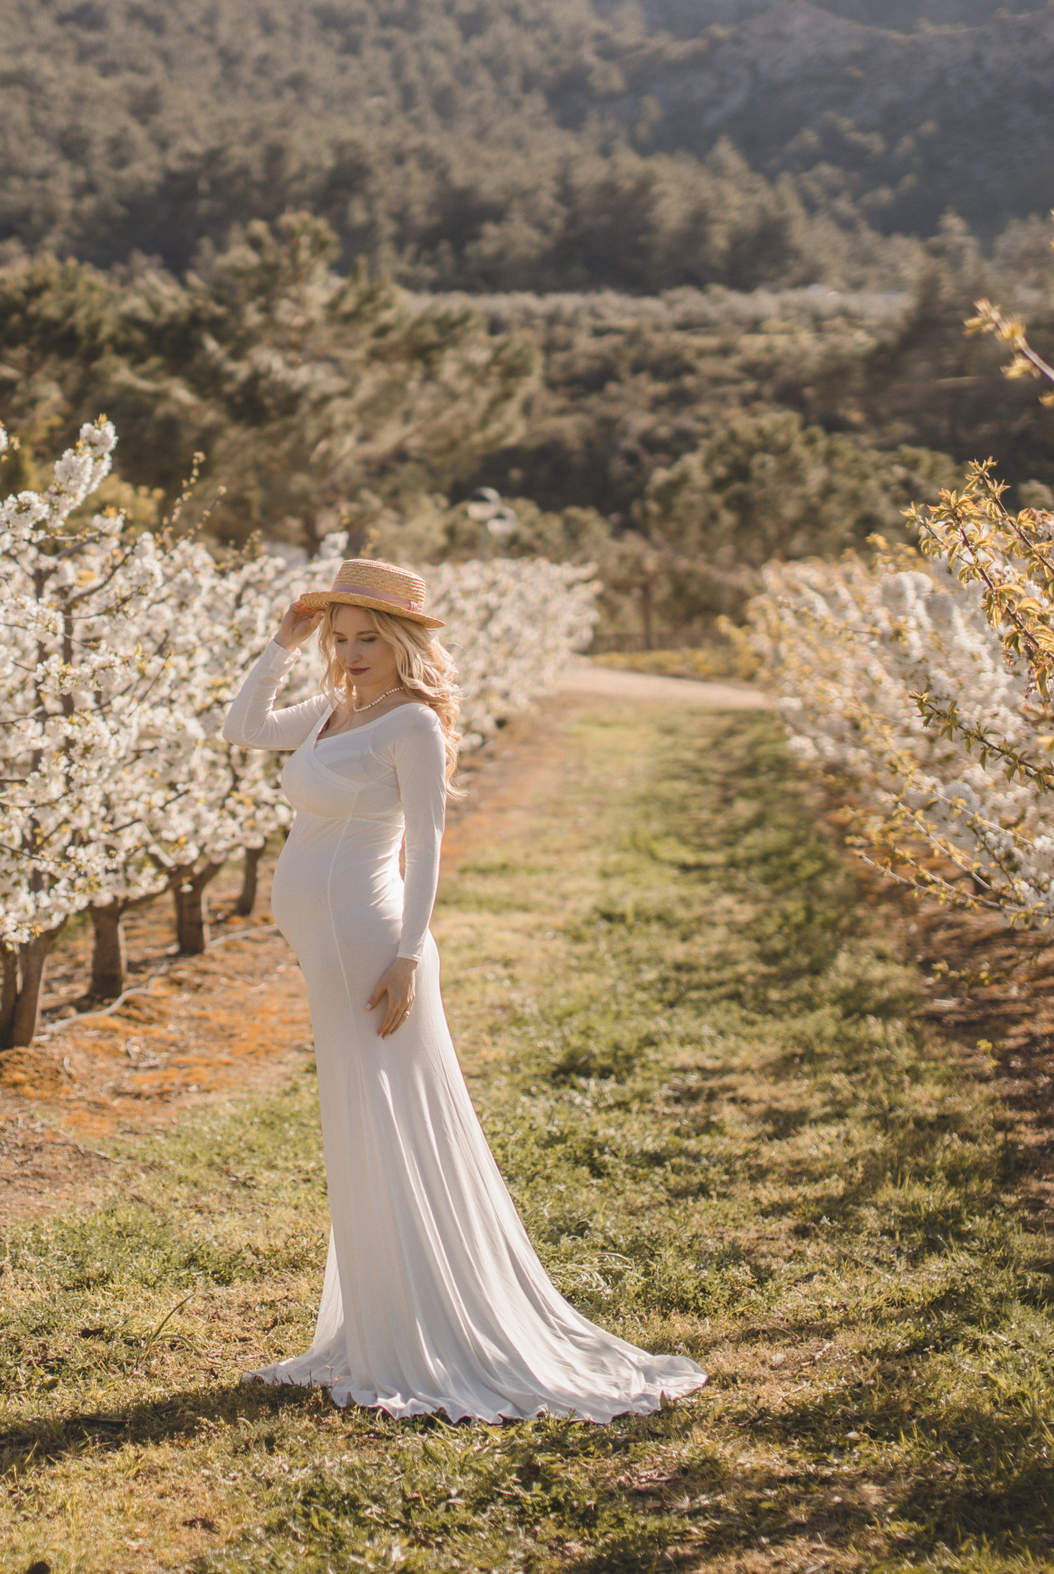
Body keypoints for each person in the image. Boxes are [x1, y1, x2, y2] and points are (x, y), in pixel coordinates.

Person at [222, 557, 707, 1422]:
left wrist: (408, 955)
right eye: (342, 636)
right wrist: (282, 643)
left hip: (368, 945)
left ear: (403, 640)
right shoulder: (336, 710)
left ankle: (421, 1327)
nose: (354, 651)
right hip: (327, 944)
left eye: (369, 636)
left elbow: (430, 844)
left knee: (385, 1118)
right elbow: (241, 725)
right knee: (362, 1120)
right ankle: (380, 1315)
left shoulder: (409, 723)